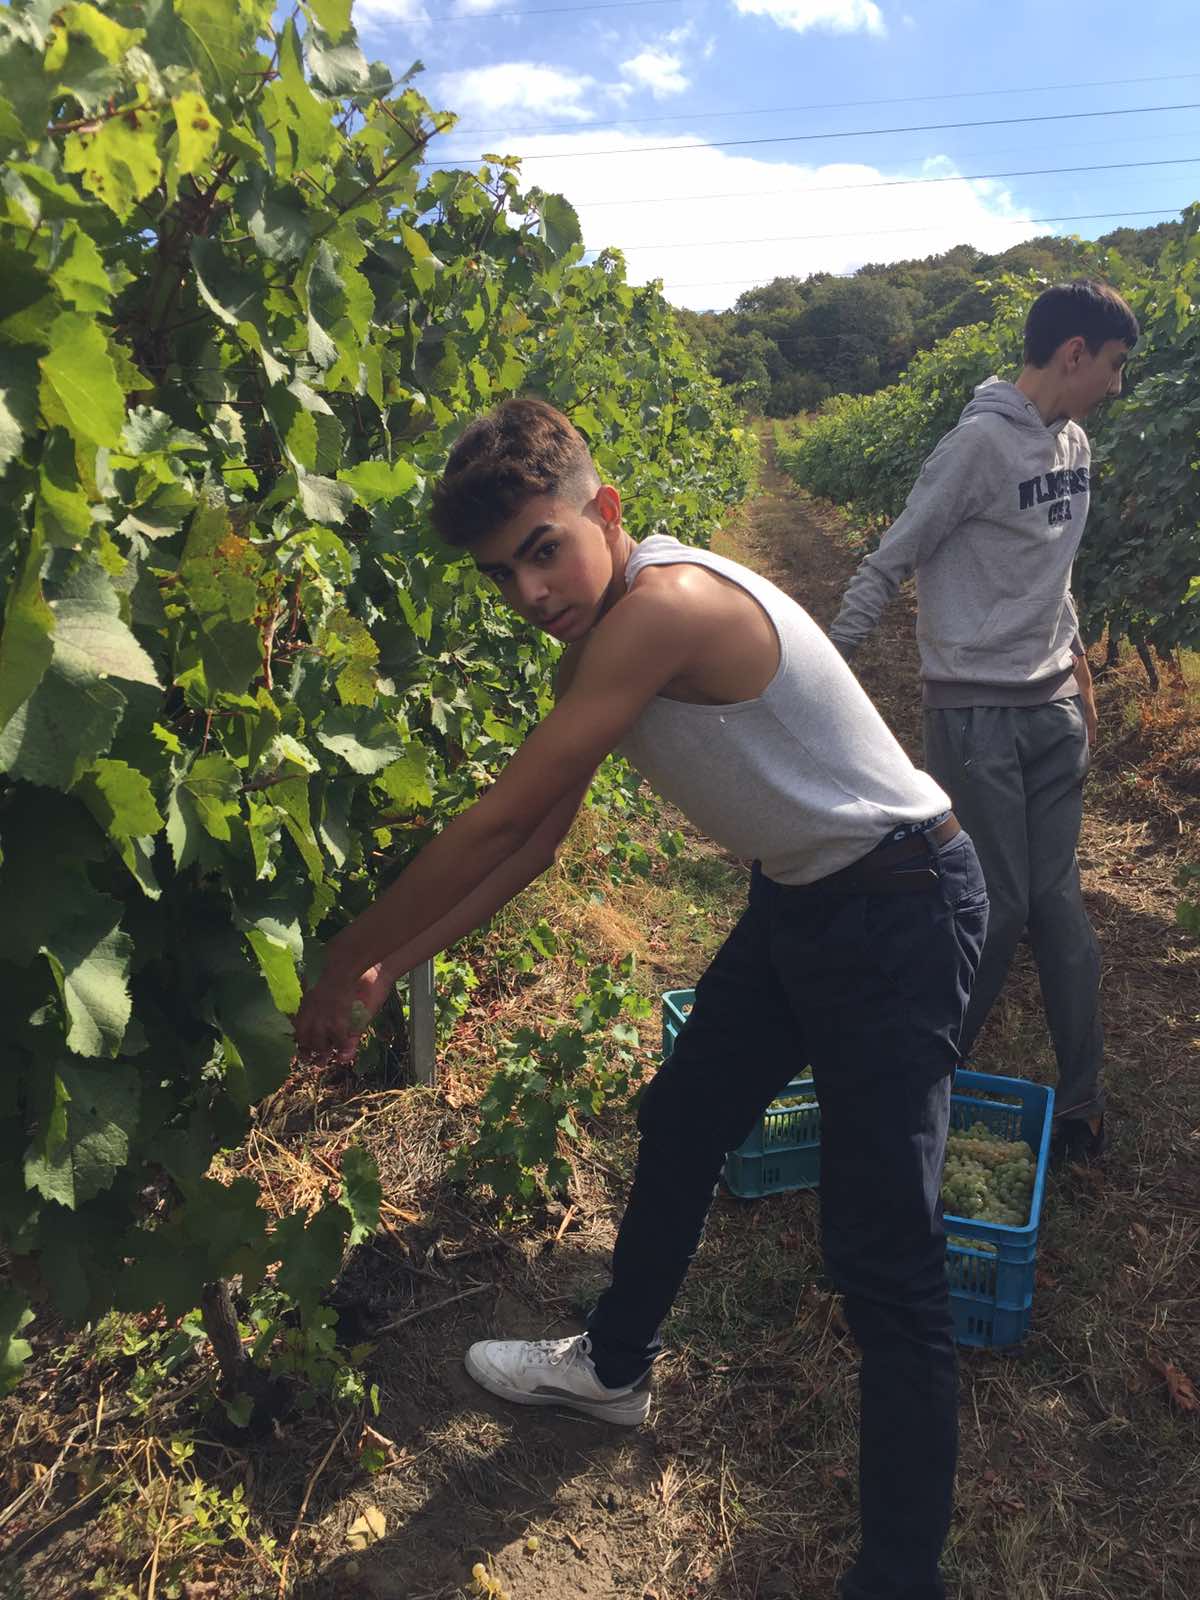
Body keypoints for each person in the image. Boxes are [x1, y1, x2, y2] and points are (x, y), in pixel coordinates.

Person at [295, 397, 988, 1600]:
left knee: (886, 1260)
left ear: (605, 511)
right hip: (806, 898)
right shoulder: (598, 639)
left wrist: (339, 958)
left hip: (899, 905)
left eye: (544, 549)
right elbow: (538, 846)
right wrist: (387, 968)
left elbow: (503, 817)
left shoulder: (666, 606)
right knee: (681, 1122)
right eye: (500, 573)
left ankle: (900, 1573)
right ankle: (613, 1369)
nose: (527, 590)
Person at [829, 280, 1138, 1169]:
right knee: (998, 908)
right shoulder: (975, 448)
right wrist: (818, 669)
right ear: (1073, 354)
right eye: (1113, 365)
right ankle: (922, 1081)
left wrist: (1078, 667)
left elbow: (1052, 575)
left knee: (1057, 907)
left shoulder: (1075, 444)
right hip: (976, 717)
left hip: (1052, 711)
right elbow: (890, 559)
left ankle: (1080, 1104)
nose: (1117, 385)